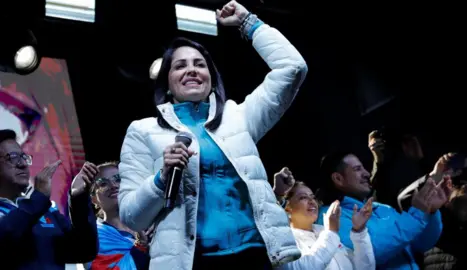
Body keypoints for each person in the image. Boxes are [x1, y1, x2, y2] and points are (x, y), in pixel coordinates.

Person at [117, 1, 308, 269]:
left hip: (256, 256)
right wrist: (161, 179)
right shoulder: (143, 131)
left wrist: (248, 23)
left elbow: (292, 68)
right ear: (168, 83)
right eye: (180, 66)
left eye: (199, 64)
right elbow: (130, 216)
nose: (192, 70)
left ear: (211, 77)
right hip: (193, 262)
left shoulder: (238, 117)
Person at [315, 151, 449, 270]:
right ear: (338, 179)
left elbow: (421, 244)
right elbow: (371, 253)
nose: (367, 174)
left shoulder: (383, 208)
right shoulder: (330, 216)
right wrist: (417, 216)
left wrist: (429, 212)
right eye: (357, 169)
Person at [0, 129, 98, 269]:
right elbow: (6, 236)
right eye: (13, 157)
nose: (22, 164)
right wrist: (38, 197)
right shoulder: (37, 205)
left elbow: (83, 251)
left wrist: (78, 200)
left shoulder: (46, 210)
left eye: (23, 157)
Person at [274, 168, 375, 270]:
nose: (311, 201)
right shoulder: (284, 241)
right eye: (303, 197)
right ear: (287, 208)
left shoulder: (322, 230)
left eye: (312, 197)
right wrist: (331, 233)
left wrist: (359, 232)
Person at [86, 162, 150, 270]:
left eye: (118, 179)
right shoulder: (94, 237)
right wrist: (141, 246)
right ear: (94, 199)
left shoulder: (152, 222)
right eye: (103, 184)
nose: (113, 186)